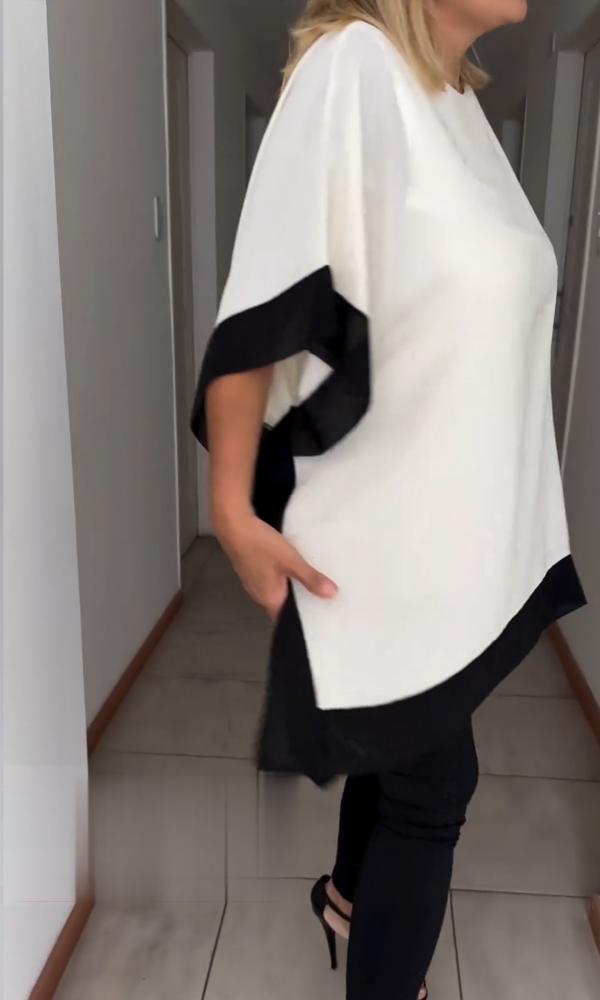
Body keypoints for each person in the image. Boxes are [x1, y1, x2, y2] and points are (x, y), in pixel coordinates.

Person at [191, 2, 586, 997]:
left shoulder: (455, 103)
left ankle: (345, 897)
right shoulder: (352, 66)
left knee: (401, 739)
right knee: (435, 781)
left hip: (450, 531)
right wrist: (232, 508)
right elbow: (267, 301)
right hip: (380, 532)